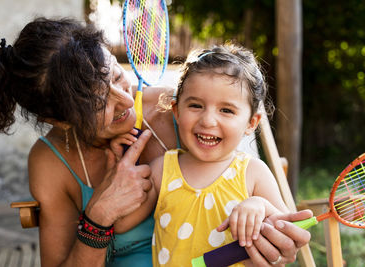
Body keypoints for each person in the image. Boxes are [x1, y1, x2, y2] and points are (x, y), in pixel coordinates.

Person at [0, 17, 311, 267]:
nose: (125, 100)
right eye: (98, 102)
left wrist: (271, 232)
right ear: (59, 121)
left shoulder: (186, 111)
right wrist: (100, 212)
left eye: (117, 76)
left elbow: (248, 194)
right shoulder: (52, 162)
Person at [110, 44, 297, 266]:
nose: (208, 120)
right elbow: (121, 224)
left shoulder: (254, 173)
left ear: (251, 123)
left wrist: (260, 205)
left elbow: (288, 235)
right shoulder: (162, 169)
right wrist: (118, 165)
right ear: (177, 111)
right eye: (196, 106)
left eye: (226, 110)